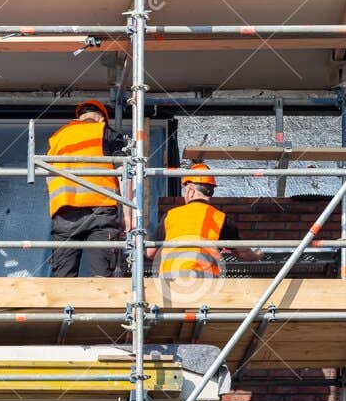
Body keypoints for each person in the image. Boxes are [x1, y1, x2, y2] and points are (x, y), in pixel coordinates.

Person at [46, 100, 128, 277]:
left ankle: (65, 303)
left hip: (65, 211)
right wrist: (128, 217)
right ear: (101, 119)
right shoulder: (105, 132)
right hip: (101, 209)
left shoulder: (58, 136)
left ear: (79, 118)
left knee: (63, 278)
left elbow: (48, 176)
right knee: (101, 277)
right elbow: (124, 174)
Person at [147, 164, 261, 277]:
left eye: (185, 190)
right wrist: (257, 255)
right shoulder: (220, 219)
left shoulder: (170, 216)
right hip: (205, 283)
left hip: (169, 283)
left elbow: (150, 253)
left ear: (191, 191)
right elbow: (242, 253)